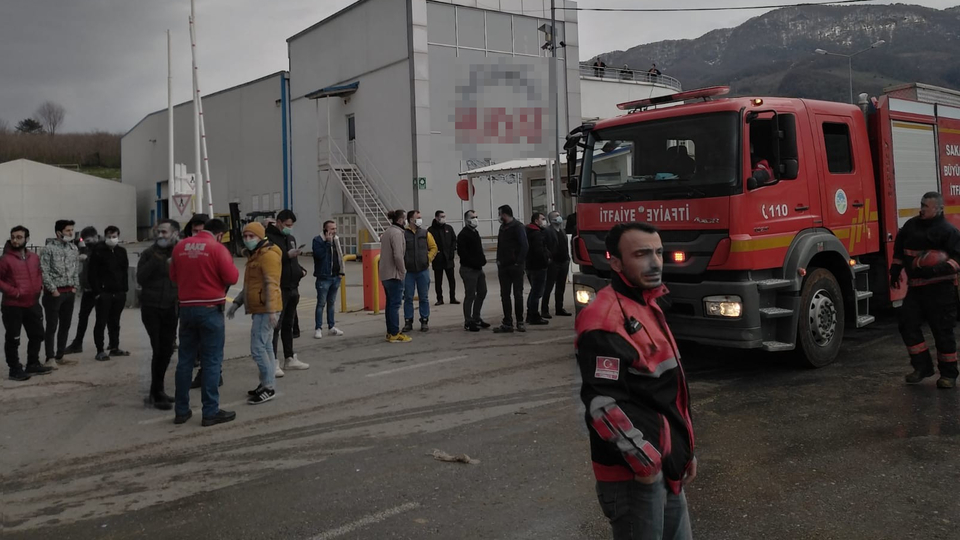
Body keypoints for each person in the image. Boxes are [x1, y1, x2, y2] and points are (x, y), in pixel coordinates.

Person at [576, 222, 696, 540]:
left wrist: (685, 452)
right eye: (642, 254)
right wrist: (645, 463)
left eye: (658, 252)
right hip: (634, 477)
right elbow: (602, 405)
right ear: (615, 262)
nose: (655, 262)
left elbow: (667, 391)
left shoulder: (646, 304)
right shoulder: (604, 319)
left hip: (665, 466)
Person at [170, 218, 239, 427]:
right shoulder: (217, 248)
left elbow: (173, 276)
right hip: (210, 309)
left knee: (185, 362)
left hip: (186, 309)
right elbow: (232, 277)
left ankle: (181, 411)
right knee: (211, 361)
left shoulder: (180, 247)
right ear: (219, 235)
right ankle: (210, 411)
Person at [891, 192, 960, 389]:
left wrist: (935, 269)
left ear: (938, 209)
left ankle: (948, 375)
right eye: (921, 204)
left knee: (942, 332)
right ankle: (922, 367)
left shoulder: (948, 232)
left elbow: (958, 259)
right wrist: (894, 273)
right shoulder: (910, 227)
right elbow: (899, 251)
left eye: (926, 206)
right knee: (907, 324)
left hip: (941, 291)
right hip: (917, 290)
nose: (922, 209)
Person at [228, 222, 282, 405]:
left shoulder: (267, 256)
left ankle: (268, 387)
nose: (248, 240)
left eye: (252, 236)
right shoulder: (255, 256)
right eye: (245, 236)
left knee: (257, 349)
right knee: (265, 347)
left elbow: (271, 284)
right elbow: (251, 285)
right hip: (261, 308)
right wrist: (237, 303)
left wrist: (272, 310)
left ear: (261, 237)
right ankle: (267, 384)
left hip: (266, 310)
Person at [137, 220, 180, 410]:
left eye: (165, 232)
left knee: (168, 348)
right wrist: (156, 259)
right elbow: (141, 277)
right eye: (159, 232)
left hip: (171, 306)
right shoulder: (149, 253)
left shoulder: (179, 252)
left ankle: (157, 391)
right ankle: (156, 392)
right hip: (151, 306)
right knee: (159, 349)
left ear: (174, 234)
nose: (161, 235)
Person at [0, 226, 50, 380]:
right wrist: (14, 292)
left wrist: (39, 287)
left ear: (27, 239)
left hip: (32, 303)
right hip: (13, 306)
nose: (15, 240)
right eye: (13, 237)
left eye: (19, 237)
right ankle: (14, 369)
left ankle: (33, 363)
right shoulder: (5, 259)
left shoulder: (34, 257)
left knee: (37, 335)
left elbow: (38, 273)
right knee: (13, 338)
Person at [265, 210, 309, 373]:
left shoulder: (290, 238)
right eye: (287, 225)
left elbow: (292, 260)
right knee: (276, 326)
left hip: (292, 286)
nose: (289, 228)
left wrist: (298, 270)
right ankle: (273, 361)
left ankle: (289, 357)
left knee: (289, 325)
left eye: (291, 226)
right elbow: (271, 260)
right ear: (279, 222)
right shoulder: (269, 238)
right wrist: (286, 256)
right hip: (279, 287)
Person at [40, 219, 80, 369]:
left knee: (66, 325)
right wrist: (53, 289)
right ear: (59, 232)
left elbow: (76, 269)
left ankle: (60, 355)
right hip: (54, 294)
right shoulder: (48, 249)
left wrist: (75, 286)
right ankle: (50, 358)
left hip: (69, 292)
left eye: (72, 230)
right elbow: (44, 271)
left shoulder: (73, 249)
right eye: (68, 230)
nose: (71, 233)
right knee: (52, 326)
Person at [88, 226, 130, 361]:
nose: (112, 239)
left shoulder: (121, 252)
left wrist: (124, 290)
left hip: (119, 293)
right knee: (101, 322)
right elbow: (92, 274)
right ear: (104, 236)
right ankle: (99, 350)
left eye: (114, 236)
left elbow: (124, 272)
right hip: (104, 293)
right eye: (109, 236)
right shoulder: (98, 252)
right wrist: (97, 292)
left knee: (115, 321)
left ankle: (114, 347)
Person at [64, 226, 99, 355]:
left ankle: (110, 344)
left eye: (89, 240)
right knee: (82, 317)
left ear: (96, 237)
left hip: (99, 290)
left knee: (103, 318)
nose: (87, 242)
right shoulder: (86, 249)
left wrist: (88, 258)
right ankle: (77, 343)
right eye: (85, 240)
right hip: (88, 289)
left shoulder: (100, 249)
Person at [493, 205, 528, 334]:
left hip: (515, 267)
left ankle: (520, 321)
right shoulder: (503, 228)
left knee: (518, 294)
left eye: (500, 214)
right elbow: (500, 246)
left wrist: (519, 262)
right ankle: (507, 322)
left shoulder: (518, 227)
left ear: (505, 214)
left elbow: (524, 245)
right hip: (503, 267)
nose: (499, 217)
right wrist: (498, 260)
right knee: (505, 295)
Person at [402, 210, 438, 333]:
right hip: (409, 272)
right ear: (411, 220)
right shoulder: (404, 234)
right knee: (408, 297)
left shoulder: (425, 233)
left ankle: (424, 320)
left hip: (423, 270)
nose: (420, 220)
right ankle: (408, 321)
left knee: (424, 297)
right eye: (418, 217)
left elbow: (433, 247)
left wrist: (428, 258)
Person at [380, 209, 411, 343]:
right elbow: (398, 255)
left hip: (385, 274)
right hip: (394, 274)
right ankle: (394, 333)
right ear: (400, 220)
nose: (406, 221)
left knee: (390, 304)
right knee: (395, 304)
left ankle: (390, 332)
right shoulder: (397, 234)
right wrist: (403, 271)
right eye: (405, 219)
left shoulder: (388, 232)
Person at [312, 220, 345, 339]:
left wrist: (341, 272)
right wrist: (327, 243)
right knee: (321, 303)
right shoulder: (318, 240)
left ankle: (331, 326)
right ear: (325, 230)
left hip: (335, 276)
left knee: (331, 303)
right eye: (331, 229)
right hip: (324, 277)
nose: (334, 231)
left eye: (335, 228)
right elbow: (318, 256)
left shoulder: (336, 239)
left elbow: (340, 256)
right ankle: (318, 328)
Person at [457, 210, 489, 332]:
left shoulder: (475, 232)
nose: (475, 219)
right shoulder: (463, 235)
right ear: (466, 220)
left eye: (476, 216)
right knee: (470, 295)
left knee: (482, 292)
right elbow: (463, 254)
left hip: (478, 269)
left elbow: (479, 250)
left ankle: (476, 317)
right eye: (472, 217)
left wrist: (482, 260)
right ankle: (468, 321)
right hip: (469, 269)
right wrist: (476, 263)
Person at [542, 211, 572, 318]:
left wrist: (568, 259)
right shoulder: (547, 231)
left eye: (559, 215)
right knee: (548, 287)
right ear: (551, 219)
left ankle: (559, 308)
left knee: (561, 287)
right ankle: (544, 310)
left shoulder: (562, 231)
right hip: (553, 263)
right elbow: (545, 247)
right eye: (557, 216)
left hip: (564, 262)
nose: (559, 218)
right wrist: (549, 259)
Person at [525, 213, 552, 326]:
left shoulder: (527, 231)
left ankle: (530, 314)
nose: (545, 221)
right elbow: (539, 251)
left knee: (533, 291)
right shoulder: (536, 234)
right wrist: (546, 260)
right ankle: (534, 316)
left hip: (530, 266)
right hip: (538, 267)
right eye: (543, 219)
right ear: (536, 221)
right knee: (537, 292)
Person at [429, 210, 458, 306]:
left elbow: (454, 240)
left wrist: (452, 251)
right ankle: (439, 298)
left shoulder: (449, 228)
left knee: (451, 280)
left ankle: (452, 297)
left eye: (445, 216)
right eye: (442, 216)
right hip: (438, 259)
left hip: (448, 258)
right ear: (437, 217)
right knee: (438, 280)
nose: (444, 218)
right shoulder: (431, 230)